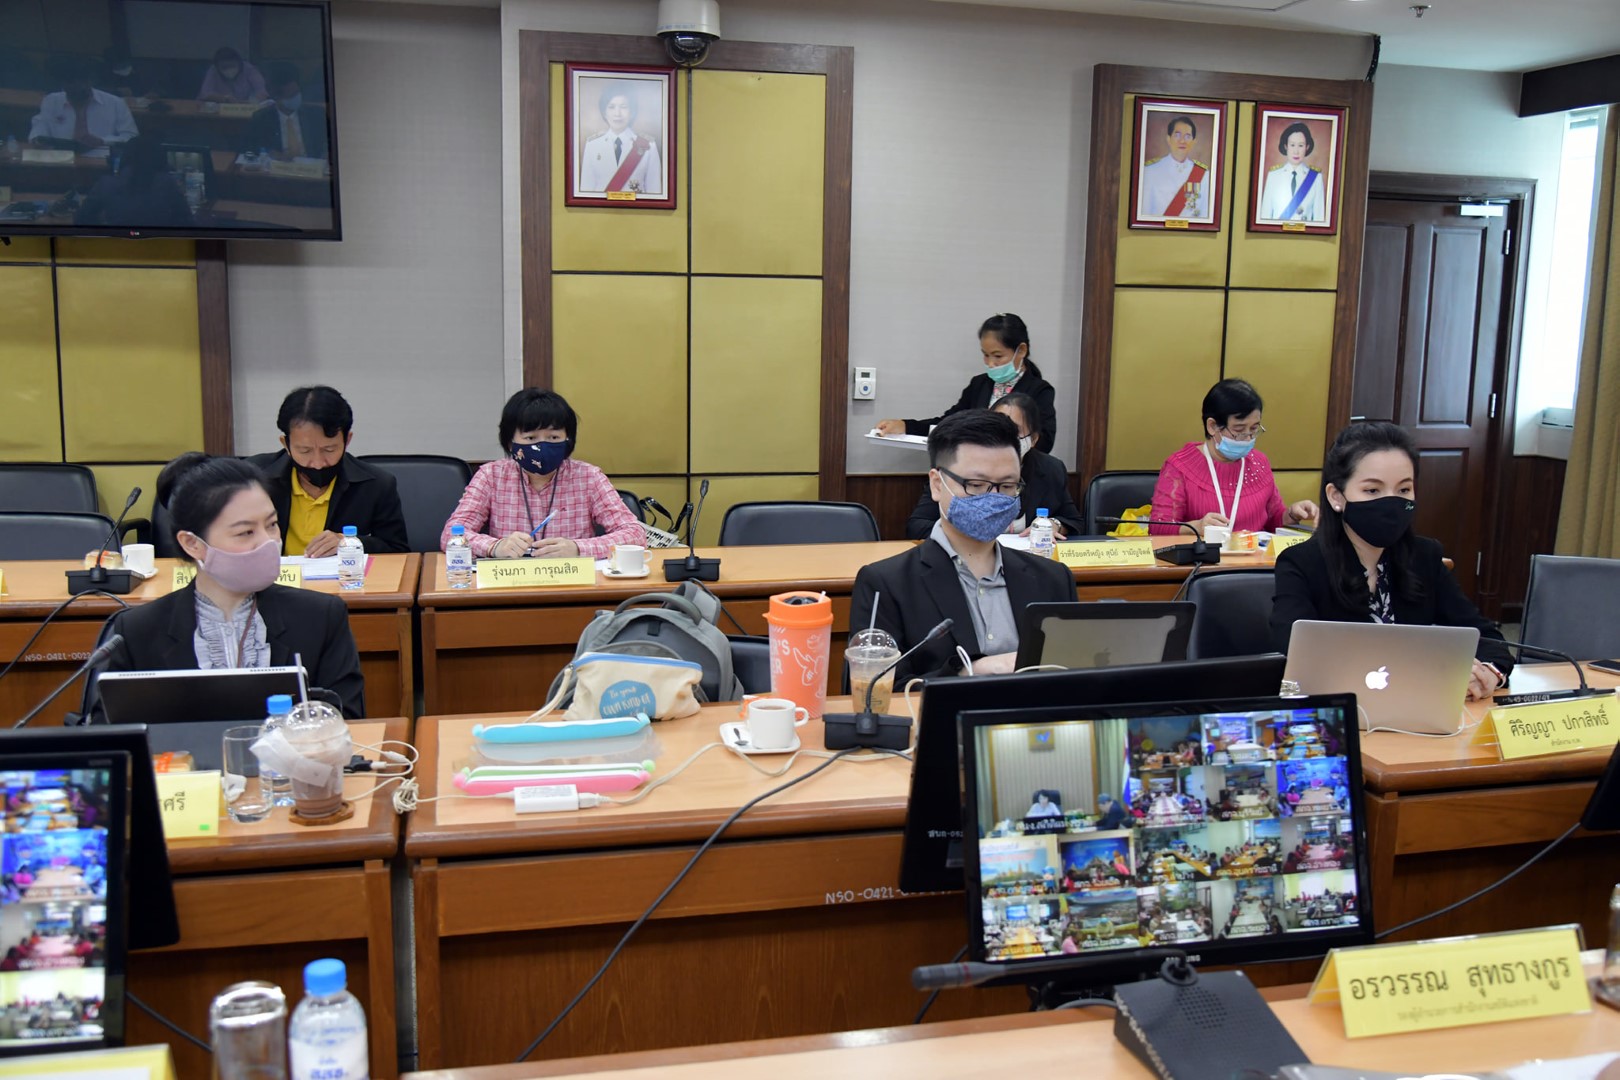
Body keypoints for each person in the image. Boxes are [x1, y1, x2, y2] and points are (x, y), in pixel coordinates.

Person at [83, 453, 365, 720]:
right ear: (192, 544)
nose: (268, 542)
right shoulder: (137, 631)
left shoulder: (321, 617)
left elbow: (349, 722)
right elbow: (110, 735)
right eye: (245, 532)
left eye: (272, 525)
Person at [1269, 422, 1513, 701]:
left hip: (1416, 709)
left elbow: (1486, 637)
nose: (1391, 503)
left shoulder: (1425, 556)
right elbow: (1295, 653)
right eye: (1373, 491)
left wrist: (1489, 672)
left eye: (1404, 490)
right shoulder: (1301, 563)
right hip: (1342, 710)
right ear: (1336, 496)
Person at [851, 410, 1078, 684]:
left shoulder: (1053, 579)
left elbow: (1074, 677)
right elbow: (873, 691)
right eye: (976, 485)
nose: (994, 499)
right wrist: (971, 671)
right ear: (937, 484)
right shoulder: (886, 583)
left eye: (1007, 486)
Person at [441, 388, 644, 559]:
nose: (542, 446)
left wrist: (578, 548)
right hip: (510, 582)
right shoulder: (491, 476)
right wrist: (495, 547)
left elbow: (635, 535)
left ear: (568, 441)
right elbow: (451, 535)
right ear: (511, 442)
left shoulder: (589, 477)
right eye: (530, 438)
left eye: (553, 437)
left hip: (572, 582)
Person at [246, 386, 409, 556]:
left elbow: (397, 549)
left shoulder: (376, 485)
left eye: (329, 450)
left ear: (347, 440)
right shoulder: (252, 478)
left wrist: (348, 543)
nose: (318, 464)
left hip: (341, 573)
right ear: (285, 444)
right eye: (305, 451)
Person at [1150, 378, 1318, 537]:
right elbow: (1158, 528)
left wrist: (1292, 514)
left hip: (1255, 556)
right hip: (1205, 557)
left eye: (1254, 429)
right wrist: (1197, 527)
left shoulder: (1259, 463)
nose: (1248, 438)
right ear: (1212, 426)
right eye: (1239, 430)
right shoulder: (1180, 467)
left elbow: (1273, 520)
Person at [904, 393, 1082, 539]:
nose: (1002, 436)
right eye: (976, 484)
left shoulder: (1051, 469)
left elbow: (1074, 521)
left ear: (1033, 439)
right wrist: (964, 534)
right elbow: (917, 526)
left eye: (1007, 485)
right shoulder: (960, 465)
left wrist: (1053, 524)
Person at [876, 313, 1059, 453]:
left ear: (1021, 351)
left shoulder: (1039, 390)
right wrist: (906, 426)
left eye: (997, 356)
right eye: (985, 355)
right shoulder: (979, 384)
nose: (990, 363)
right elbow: (950, 422)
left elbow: (1045, 443)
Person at [75, 136, 192, 229]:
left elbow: (81, 219)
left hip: (115, 246)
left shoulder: (106, 184)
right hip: (159, 247)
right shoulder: (168, 183)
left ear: (125, 156)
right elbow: (187, 223)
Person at [28, 58, 138, 156]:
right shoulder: (52, 100)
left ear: (89, 82)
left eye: (78, 86)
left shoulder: (115, 103)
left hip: (101, 160)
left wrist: (103, 141)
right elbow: (40, 125)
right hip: (60, 157)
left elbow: (131, 137)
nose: (74, 90)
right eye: (69, 87)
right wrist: (38, 139)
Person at [577, 81, 662, 196]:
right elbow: (586, 193)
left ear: (632, 112)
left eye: (623, 107)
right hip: (601, 208)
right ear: (604, 112)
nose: (617, 113)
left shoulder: (648, 146)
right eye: (611, 107)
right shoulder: (592, 145)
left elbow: (655, 193)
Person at [241, 63, 327, 159]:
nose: (297, 98)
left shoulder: (316, 114)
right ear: (277, 98)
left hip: (311, 165)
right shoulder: (262, 118)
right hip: (280, 166)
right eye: (291, 95)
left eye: (297, 93)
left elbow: (328, 143)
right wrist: (269, 153)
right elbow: (251, 149)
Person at [1139, 114, 1209, 220]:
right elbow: (1143, 215)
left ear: (1193, 141)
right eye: (1177, 135)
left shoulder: (1204, 175)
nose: (1182, 141)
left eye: (1187, 136)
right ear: (1168, 139)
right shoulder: (1149, 171)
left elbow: (1205, 216)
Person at [1259, 122, 1326, 223]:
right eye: (1292, 145)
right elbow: (1265, 216)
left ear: (1307, 147)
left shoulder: (1316, 178)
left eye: (1301, 145)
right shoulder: (1273, 176)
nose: (1296, 151)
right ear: (1286, 146)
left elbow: (1319, 219)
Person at [197, 47, 268, 104]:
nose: (229, 70)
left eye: (232, 66)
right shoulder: (213, 70)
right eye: (224, 67)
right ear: (217, 67)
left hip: (245, 109)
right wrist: (224, 98)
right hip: (219, 110)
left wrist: (255, 100)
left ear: (239, 63)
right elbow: (204, 94)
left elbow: (261, 91)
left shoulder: (249, 69)